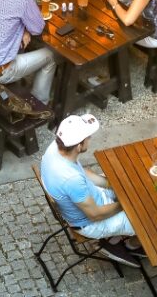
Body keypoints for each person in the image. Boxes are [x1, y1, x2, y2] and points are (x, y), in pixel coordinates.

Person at [40, 114, 140, 267]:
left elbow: (82, 172)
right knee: (147, 218)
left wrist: (108, 183)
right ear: (79, 145)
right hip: (90, 223)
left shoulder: (56, 147)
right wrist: (125, 203)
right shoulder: (71, 180)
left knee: (127, 178)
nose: (90, 138)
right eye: (88, 137)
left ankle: (116, 237)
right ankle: (129, 246)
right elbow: (95, 214)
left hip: (93, 195)